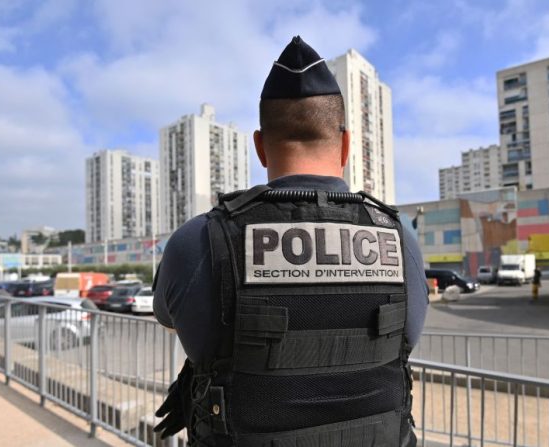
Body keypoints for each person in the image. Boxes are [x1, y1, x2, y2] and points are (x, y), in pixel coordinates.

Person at [152, 36, 428, 446]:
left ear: (260, 147)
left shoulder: (198, 240)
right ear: (347, 144)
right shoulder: (399, 235)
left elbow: (168, 316)